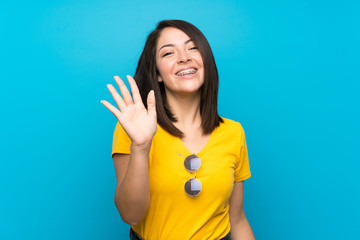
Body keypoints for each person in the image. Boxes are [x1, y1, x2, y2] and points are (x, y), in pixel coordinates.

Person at [101, 20, 255, 240]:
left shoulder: (234, 132)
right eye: (168, 53)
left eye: (193, 48)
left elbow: (237, 219)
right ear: (158, 75)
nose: (184, 57)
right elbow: (131, 215)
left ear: (206, 63)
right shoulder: (134, 129)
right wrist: (141, 146)